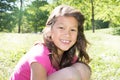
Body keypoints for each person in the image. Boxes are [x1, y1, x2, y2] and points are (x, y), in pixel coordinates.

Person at [10, 5, 91, 80]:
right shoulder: (40, 56)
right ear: (49, 31)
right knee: (71, 74)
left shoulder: (68, 54)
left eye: (72, 30)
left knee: (83, 69)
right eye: (61, 28)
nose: (67, 34)